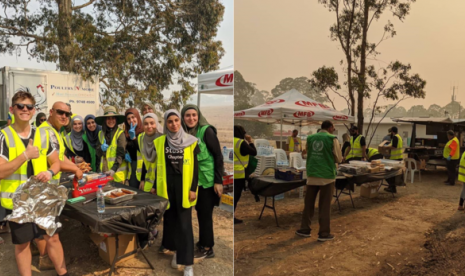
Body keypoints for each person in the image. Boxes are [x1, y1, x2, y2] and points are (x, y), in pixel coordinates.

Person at [0, 90, 69, 275]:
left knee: (52, 238)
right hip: (18, 202)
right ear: (12, 109)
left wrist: (49, 171)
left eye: (29, 106)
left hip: (43, 199)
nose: (25, 109)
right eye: (20, 106)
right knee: (23, 245)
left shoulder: (43, 134)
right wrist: (25, 156)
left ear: (33, 110)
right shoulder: (3, 136)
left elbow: (56, 162)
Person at [154, 110, 199, 276]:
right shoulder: (160, 142)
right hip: (167, 186)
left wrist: (193, 189)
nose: (174, 124)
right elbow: (156, 165)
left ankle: (188, 264)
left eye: (176, 120)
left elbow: (195, 168)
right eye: (170, 121)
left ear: (180, 121)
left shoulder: (191, 141)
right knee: (170, 221)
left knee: (185, 224)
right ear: (165, 123)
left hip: (184, 186)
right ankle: (175, 253)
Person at [181, 104, 224, 259]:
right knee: (198, 212)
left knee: (205, 215)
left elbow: (218, 156)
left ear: (198, 116)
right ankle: (202, 242)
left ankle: (207, 247)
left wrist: (218, 181)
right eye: (187, 115)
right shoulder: (184, 134)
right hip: (193, 182)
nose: (191, 118)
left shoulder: (206, 131)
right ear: (183, 117)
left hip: (208, 181)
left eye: (194, 115)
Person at [295, 120, 342, 242]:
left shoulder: (310, 138)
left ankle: (304, 229)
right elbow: (338, 158)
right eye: (334, 127)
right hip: (326, 176)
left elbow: (307, 154)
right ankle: (324, 233)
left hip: (312, 175)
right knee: (324, 206)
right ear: (331, 128)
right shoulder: (332, 139)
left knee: (309, 204)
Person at [33, 101, 84, 183]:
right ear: (51, 112)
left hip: (51, 182)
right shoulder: (46, 131)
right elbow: (55, 161)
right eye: (60, 112)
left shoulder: (56, 131)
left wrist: (75, 166)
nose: (64, 116)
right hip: (43, 183)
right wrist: (74, 169)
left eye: (67, 114)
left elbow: (61, 156)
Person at [95, 106, 127, 183]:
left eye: (113, 118)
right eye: (108, 118)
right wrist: (100, 149)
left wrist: (113, 169)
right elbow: (98, 153)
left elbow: (121, 154)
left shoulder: (120, 133)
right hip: (104, 172)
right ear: (105, 120)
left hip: (117, 174)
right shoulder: (100, 133)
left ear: (116, 120)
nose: (111, 121)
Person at [233, 125, 257, 224]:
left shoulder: (232, 140)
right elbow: (254, 152)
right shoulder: (240, 142)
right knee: (236, 196)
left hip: (231, 173)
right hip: (239, 174)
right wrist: (250, 141)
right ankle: (232, 217)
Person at [124, 108, 145, 189]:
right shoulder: (126, 132)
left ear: (138, 117)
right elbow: (125, 146)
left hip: (142, 167)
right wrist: (125, 152)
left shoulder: (144, 131)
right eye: (128, 119)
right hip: (131, 167)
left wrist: (134, 138)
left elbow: (143, 150)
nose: (131, 120)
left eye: (133, 117)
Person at [383, 126, 404, 193]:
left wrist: (386, 147)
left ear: (392, 132)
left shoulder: (395, 137)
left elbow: (393, 147)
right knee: (393, 174)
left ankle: (392, 188)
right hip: (398, 158)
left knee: (389, 174)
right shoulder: (399, 137)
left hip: (395, 159)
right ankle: (391, 187)